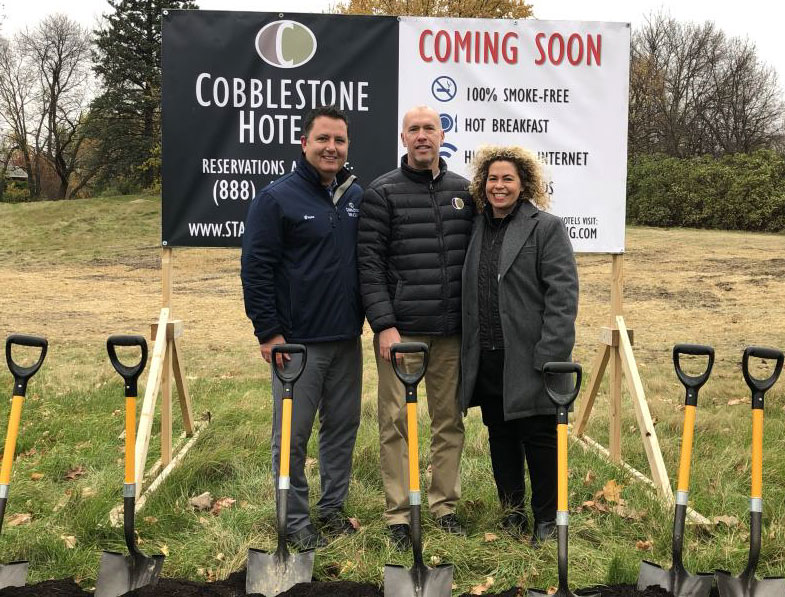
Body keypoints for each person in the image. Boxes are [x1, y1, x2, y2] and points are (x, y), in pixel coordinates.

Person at [241, 106, 364, 550]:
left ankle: (332, 511)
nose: (332, 148)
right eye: (323, 139)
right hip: (297, 345)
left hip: (347, 340)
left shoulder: (355, 196)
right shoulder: (277, 198)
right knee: (292, 436)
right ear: (304, 143)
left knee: (342, 429)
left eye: (340, 141)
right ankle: (293, 521)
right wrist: (269, 334)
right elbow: (256, 269)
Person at [358, 105, 474, 549]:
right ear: (402, 138)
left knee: (449, 423)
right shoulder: (381, 193)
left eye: (430, 128)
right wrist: (384, 325)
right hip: (401, 334)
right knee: (395, 423)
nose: (422, 136)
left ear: (442, 135)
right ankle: (399, 516)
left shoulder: (465, 192)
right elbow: (368, 266)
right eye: (414, 130)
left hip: (450, 333)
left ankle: (444, 508)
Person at [459, 145, 578, 545]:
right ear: (483, 184)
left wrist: (551, 355)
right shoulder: (475, 228)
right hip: (489, 357)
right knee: (500, 438)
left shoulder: (546, 227)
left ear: (524, 183)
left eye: (507, 178)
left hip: (532, 358)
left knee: (540, 439)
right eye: (492, 178)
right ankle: (512, 514)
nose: (499, 186)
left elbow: (563, 295)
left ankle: (547, 520)